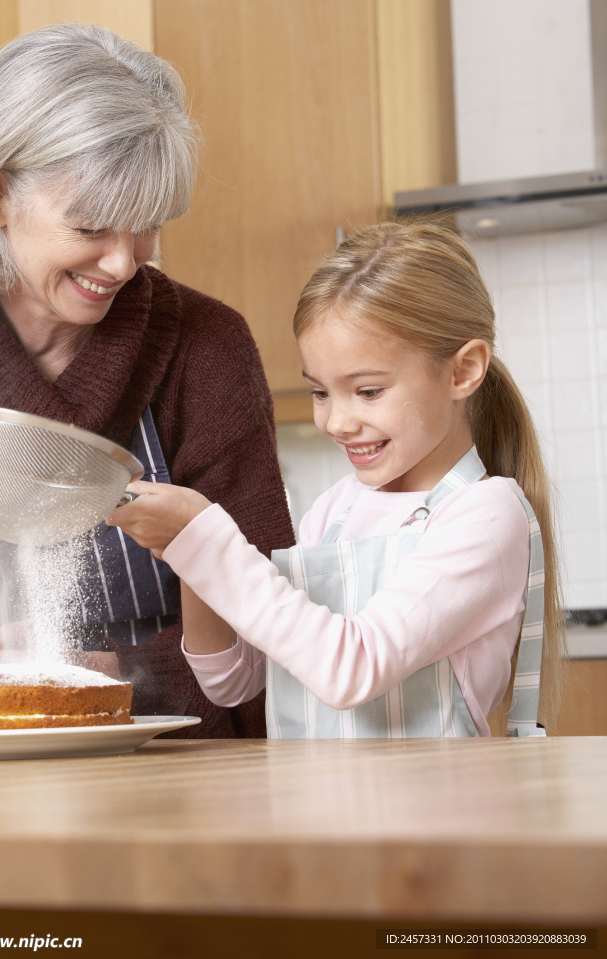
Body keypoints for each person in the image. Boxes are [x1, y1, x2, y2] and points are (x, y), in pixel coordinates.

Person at [0, 24, 293, 731]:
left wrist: (122, 676)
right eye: (93, 225)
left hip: (186, 763)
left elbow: (269, 613)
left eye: (147, 226)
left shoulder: (207, 346)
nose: (125, 264)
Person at [110, 222, 564, 738]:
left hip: (433, 812)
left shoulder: (484, 514)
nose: (337, 422)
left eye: (368, 391)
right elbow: (232, 681)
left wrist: (205, 542)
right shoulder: (335, 510)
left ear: (463, 371)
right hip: (316, 811)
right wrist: (182, 552)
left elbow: (353, 668)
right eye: (321, 392)